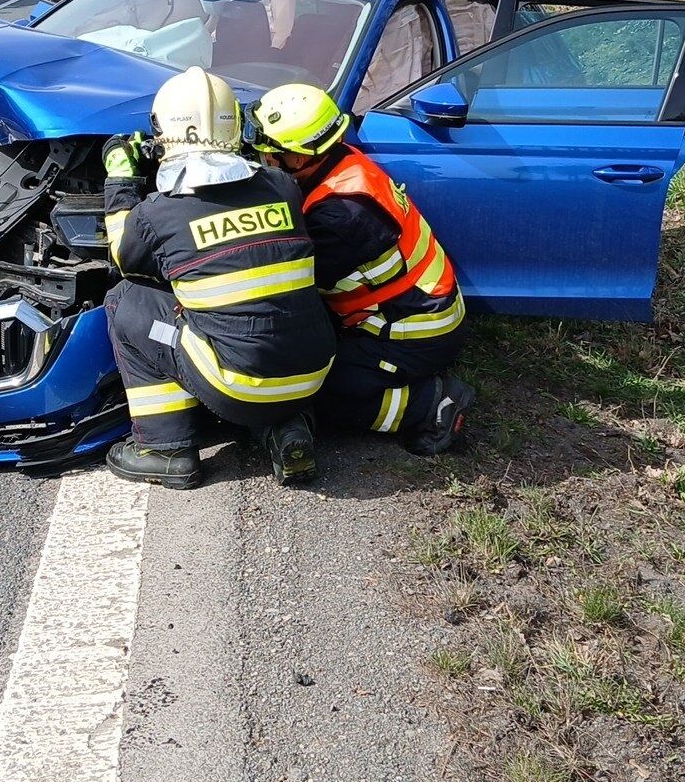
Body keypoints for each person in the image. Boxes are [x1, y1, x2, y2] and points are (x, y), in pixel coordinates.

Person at [102, 67, 337, 490]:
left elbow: (124, 257)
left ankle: (165, 448)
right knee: (259, 316)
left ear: (163, 131)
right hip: (316, 373)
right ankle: (287, 429)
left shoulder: (157, 212)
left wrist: (120, 179)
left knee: (126, 300)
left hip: (238, 388)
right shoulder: (283, 186)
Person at [250, 83, 472, 454]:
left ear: (299, 159)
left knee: (305, 389)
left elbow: (289, 283)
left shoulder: (341, 216)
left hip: (412, 335)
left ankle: (429, 405)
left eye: (269, 151)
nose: (262, 157)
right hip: (413, 311)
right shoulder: (340, 163)